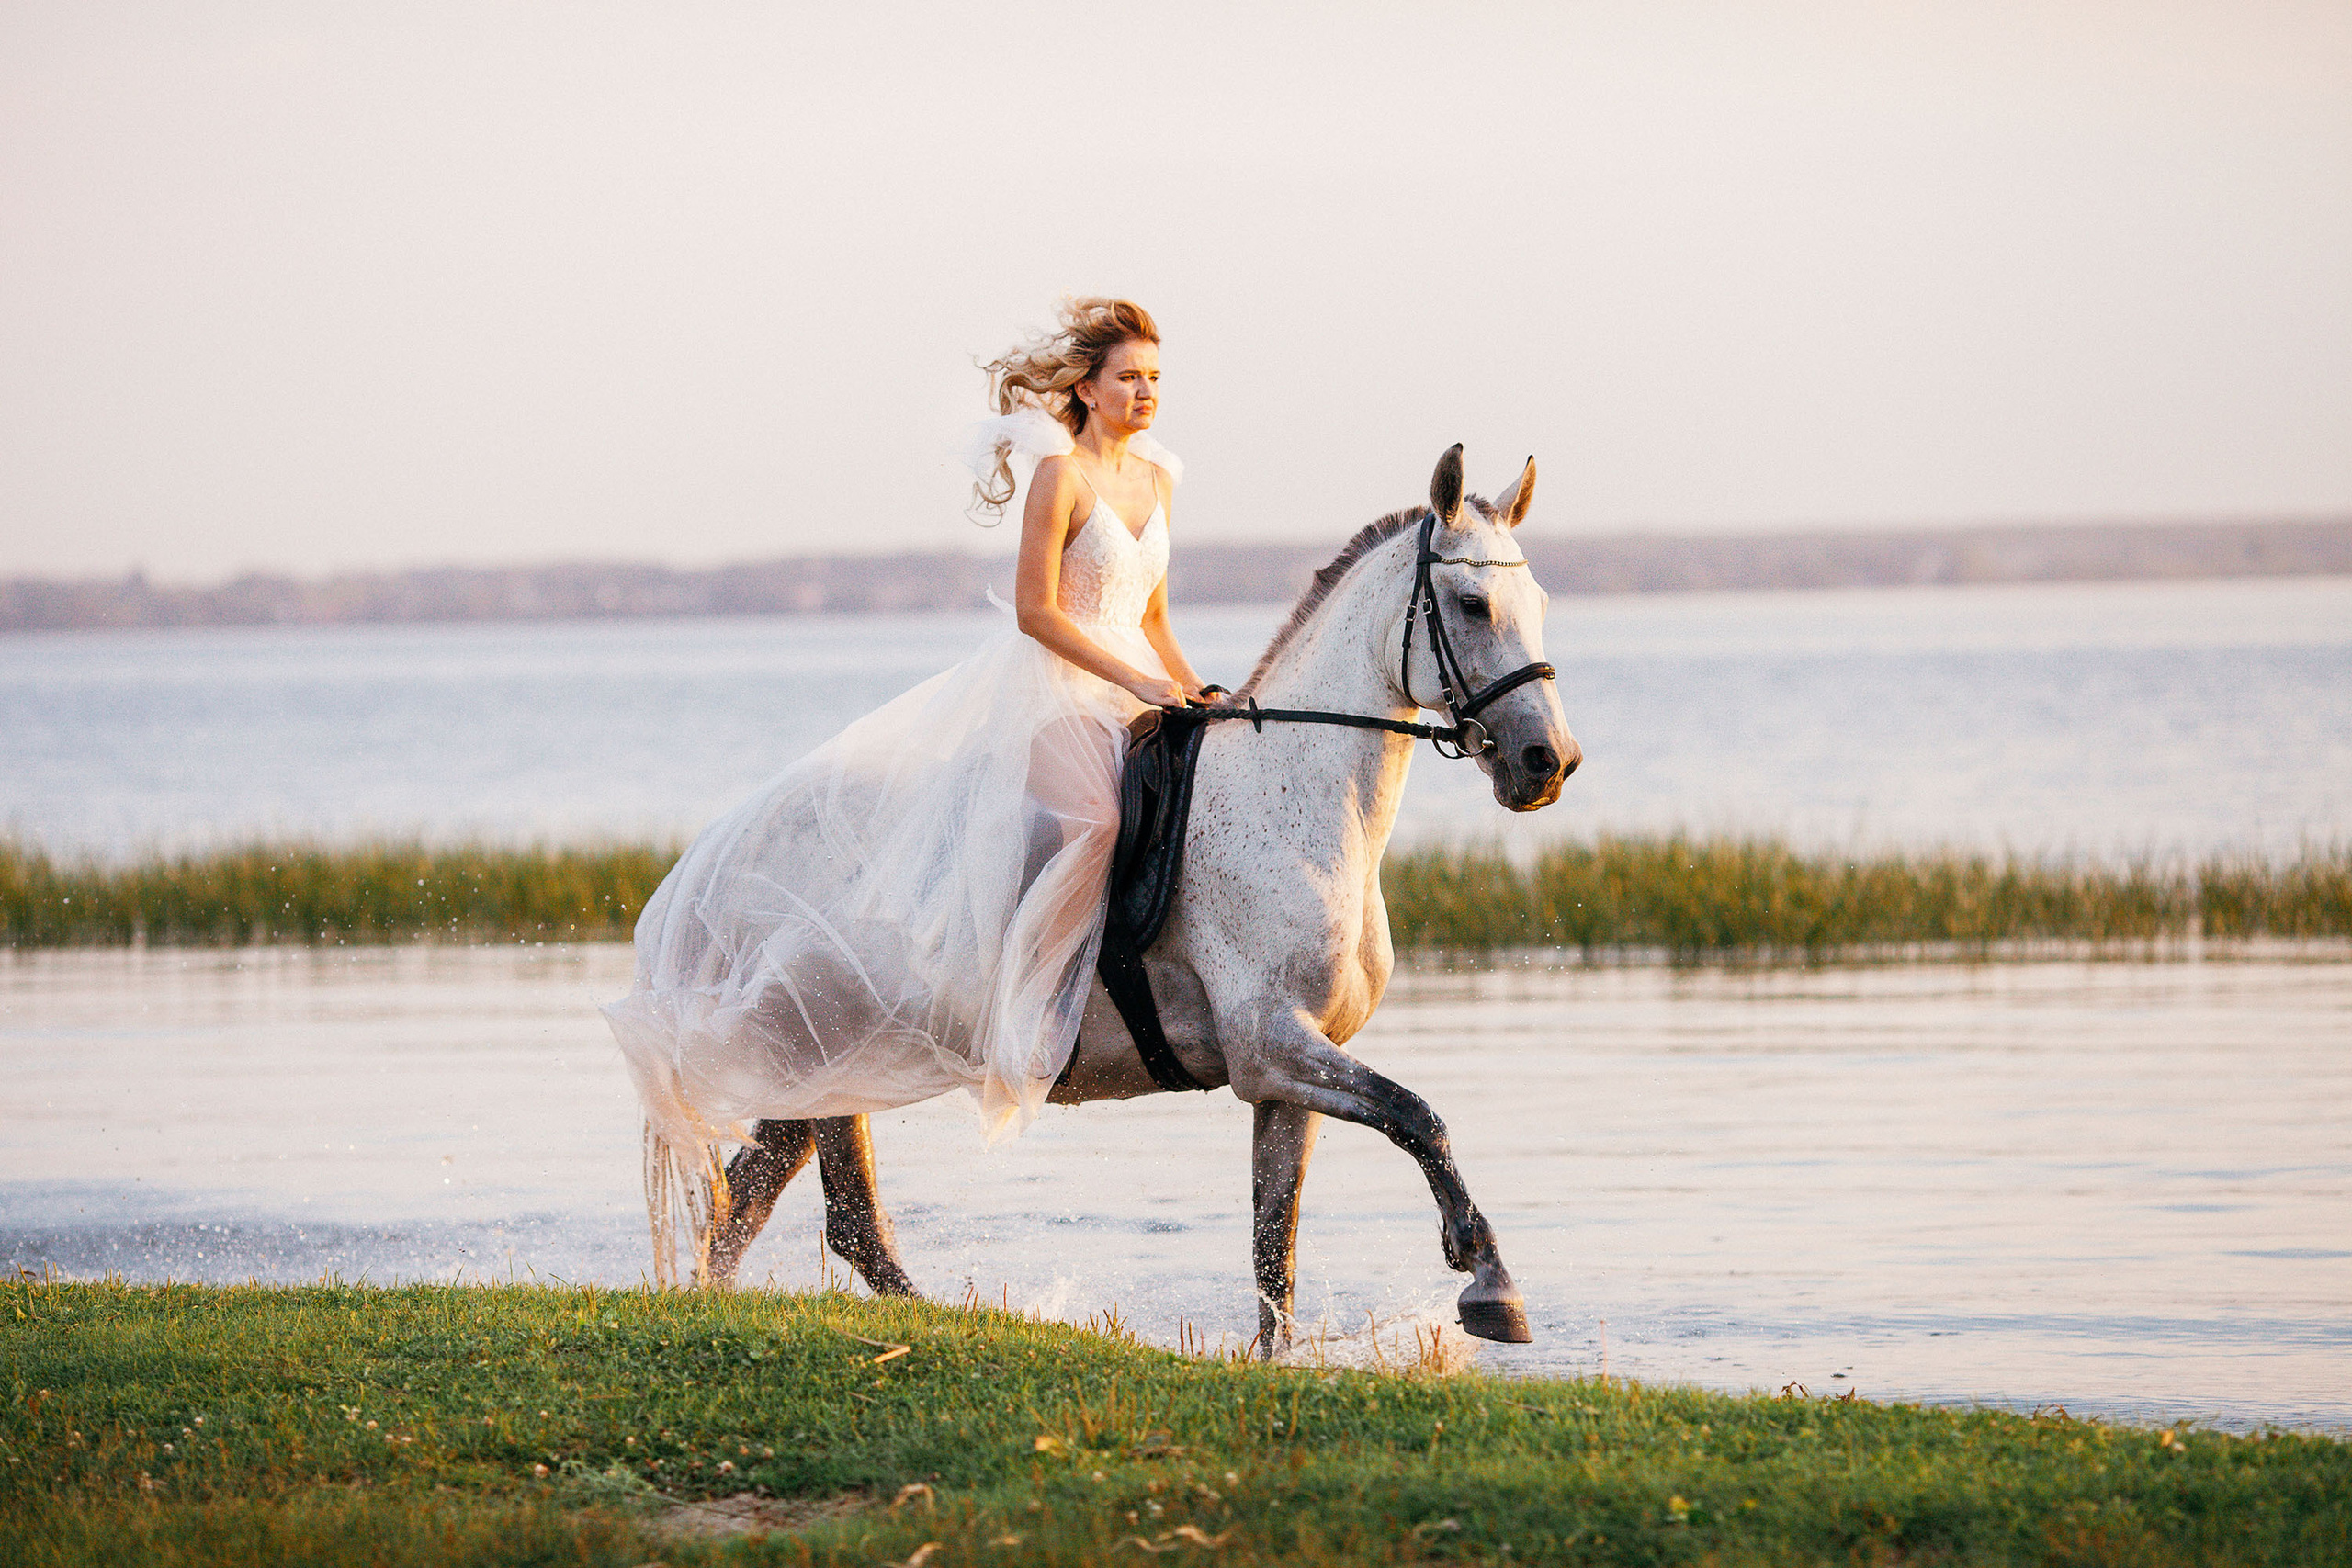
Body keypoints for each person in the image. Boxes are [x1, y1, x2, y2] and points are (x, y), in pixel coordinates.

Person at [605, 298, 1209, 1155]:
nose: (1145, 392)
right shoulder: (1061, 476)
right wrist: (1134, 678)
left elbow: (1153, 617)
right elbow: (1036, 612)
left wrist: (1197, 687)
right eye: (1129, 377)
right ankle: (1032, 1015)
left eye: (1154, 378)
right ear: (1086, 387)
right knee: (1096, 820)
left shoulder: (1158, 479)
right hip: (1054, 692)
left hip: (1138, 685)